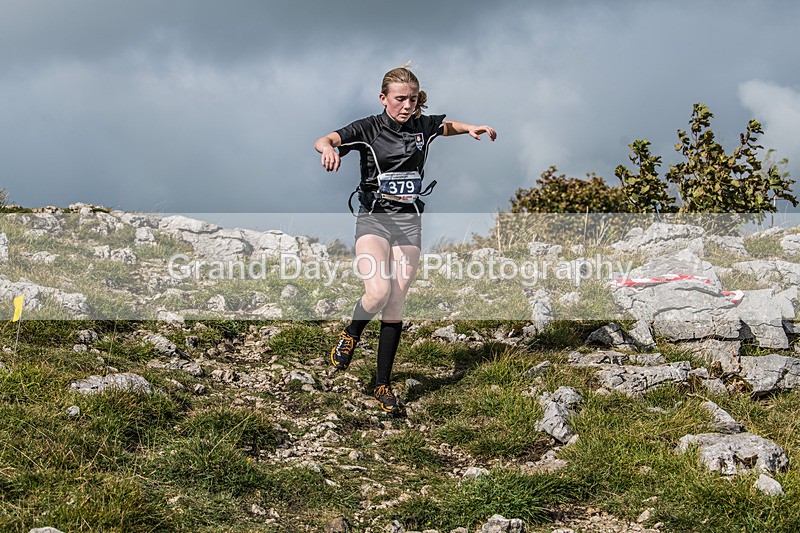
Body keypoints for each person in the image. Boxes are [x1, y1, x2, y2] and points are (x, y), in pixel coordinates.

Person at [313, 64, 496, 416]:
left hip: (409, 222)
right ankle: (352, 332)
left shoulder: (422, 126)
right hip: (374, 219)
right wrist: (328, 149)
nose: (406, 106)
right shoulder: (368, 127)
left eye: (412, 99)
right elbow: (326, 138)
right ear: (384, 99)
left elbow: (445, 126)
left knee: (396, 301)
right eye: (399, 99)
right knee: (378, 292)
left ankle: (382, 383)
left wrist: (471, 127)